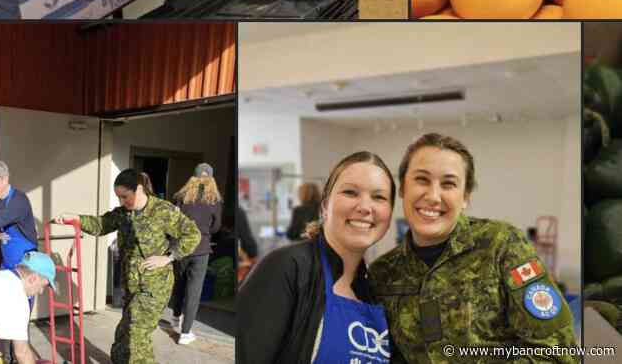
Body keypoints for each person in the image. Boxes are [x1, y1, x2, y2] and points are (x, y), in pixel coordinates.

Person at [369, 133, 579, 364]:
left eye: (448, 184)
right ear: (402, 189)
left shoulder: (501, 245)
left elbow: (560, 351)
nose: (433, 196)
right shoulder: (383, 273)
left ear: (465, 196)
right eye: (422, 180)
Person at [237, 151, 395, 364]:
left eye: (379, 197)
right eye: (350, 192)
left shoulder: (378, 290)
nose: (365, 207)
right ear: (324, 207)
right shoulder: (286, 268)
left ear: (390, 212)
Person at [55, 168, 201, 364]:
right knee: (124, 335)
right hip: (131, 286)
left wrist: (169, 256)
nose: (121, 201)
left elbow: (193, 234)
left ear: (139, 189)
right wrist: (76, 218)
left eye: (125, 196)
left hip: (153, 287)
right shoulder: (124, 213)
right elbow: (102, 225)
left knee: (135, 338)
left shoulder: (162, 211)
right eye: (118, 197)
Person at [169, 163, 224, 345]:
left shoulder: (181, 197)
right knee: (194, 292)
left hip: (181, 247)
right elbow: (216, 227)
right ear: (211, 179)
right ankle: (185, 333)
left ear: (193, 177)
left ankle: (176, 318)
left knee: (179, 284)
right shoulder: (214, 201)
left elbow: (173, 222)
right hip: (201, 249)